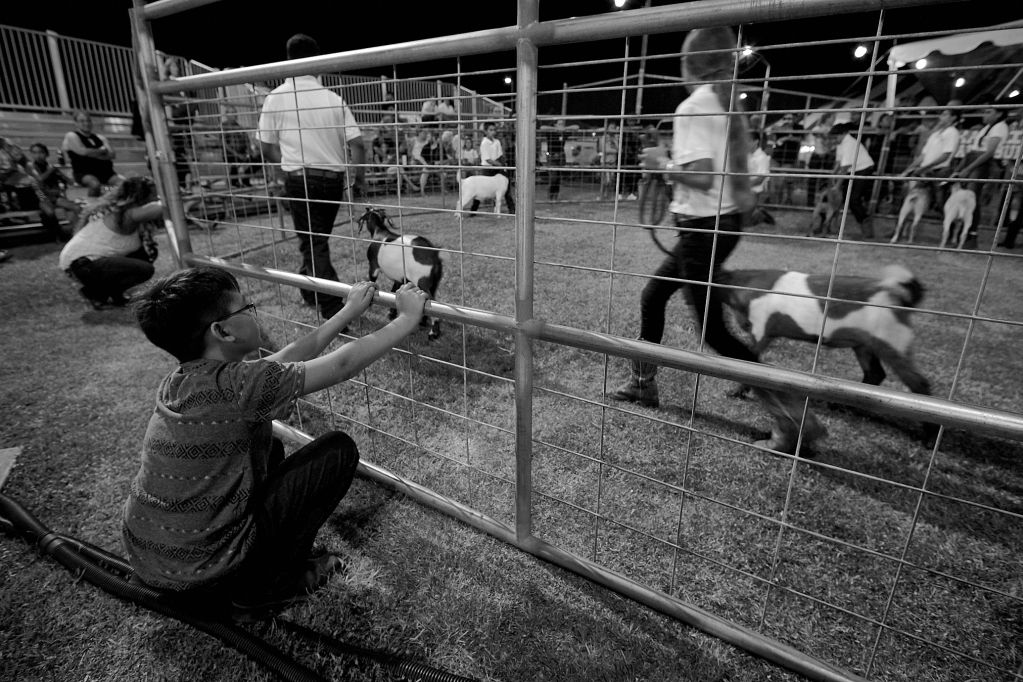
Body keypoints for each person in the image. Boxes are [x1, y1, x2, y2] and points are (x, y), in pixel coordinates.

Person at [122, 266, 429, 620]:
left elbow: (288, 358)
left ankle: (248, 567)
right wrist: (406, 319)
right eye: (246, 309)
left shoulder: (181, 381)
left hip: (151, 557)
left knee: (271, 449)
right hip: (205, 573)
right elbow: (343, 365)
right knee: (336, 452)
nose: (253, 314)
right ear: (222, 330)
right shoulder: (240, 387)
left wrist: (347, 311)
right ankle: (267, 588)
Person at [607, 26, 826, 455]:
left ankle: (795, 420)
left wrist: (661, 162)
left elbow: (702, 174)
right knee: (653, 297)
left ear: (689, 66)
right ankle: (642, 384)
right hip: (717, 225)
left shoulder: (693, 107)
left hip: (703, 229)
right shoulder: (721, 105)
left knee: (716, 334)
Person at [258, 34, 367, 320]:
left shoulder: (276, 97)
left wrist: (284, 166)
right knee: (315, 240)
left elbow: (266, 145)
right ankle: (312, 291)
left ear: (288, 60)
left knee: (313, 242)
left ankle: (332, 308)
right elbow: (357, 144)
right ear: (318, 61)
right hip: (332, 180)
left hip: (300, 178)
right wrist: (360, 178)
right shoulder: (333, 98)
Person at [58, 176, 161, 310]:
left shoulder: (122, 210)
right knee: (144, 269)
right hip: (82, 263)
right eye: (153, 194)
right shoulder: (125, 213)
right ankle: (94, 294)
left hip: (87, 263)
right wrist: (177, 199)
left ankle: (116, 296)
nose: (156, 197)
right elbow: (162, 208)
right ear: (141, 196)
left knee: (143, 256)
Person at [952, 105, 1009, 249]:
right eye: (985, 111)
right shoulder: (986, 128)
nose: (985, 115)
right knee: (968, 198)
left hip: (984, 164)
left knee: (973, 199)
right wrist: (962, 168)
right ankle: (962, 233)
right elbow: (975, 151)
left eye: (989, 112)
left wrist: (967, 168)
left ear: (999, 113)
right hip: (976, 161)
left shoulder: (999, 127)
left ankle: (971, 234)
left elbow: (989, 152)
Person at [831, 122, 875, 239]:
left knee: (854, 199)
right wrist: (833, 174)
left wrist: (837, 184)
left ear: (843, 134)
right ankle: (863, 226)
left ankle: (867, 228)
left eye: (836, 137)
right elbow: (839, 161)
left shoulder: (849, 143)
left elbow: (845, 167)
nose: (835, 139)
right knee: (849, 199)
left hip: (863, 169)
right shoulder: (841, 143)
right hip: (856, 170)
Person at [28, 143, 81, 239]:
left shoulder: (51, 167)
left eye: (41, 152)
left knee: (76, 208)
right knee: (50, 212)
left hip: (55, 196)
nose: (38, 155)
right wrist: (51, 170)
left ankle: (77, 231)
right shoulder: (32, 167)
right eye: (35, 153)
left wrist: (67, 175)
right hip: (40, 198)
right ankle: (57, 234)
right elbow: (39, 179)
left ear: (46, 154)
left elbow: (69, 181)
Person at [62, 111, 120, 198]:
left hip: (105, 172)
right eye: (82, 121)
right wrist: (102, 151)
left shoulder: (100, 137)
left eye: (88, 120)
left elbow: (112, 154)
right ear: (75, 123)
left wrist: (91, 154)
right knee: (95, 184)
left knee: (124, 184)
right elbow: (83, 152)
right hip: (84, 172)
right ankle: (91, 206)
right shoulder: (71, 136)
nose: (86, 123)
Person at [473, 121, 515, 213]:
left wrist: (501, 163)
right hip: (487, 168)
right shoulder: (484, 143)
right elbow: (487, 159)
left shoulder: (497, 142)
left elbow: (500, 155)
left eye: (494, 130)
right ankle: (473, 210)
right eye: (491, 130)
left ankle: (512, 209)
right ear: (485, 131)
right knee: (481, 189)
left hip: (497, 167)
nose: (493, 132)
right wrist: (499, 164)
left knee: (505, 187)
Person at [746, 131, 774, 226]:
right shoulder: (747, 155)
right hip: (747, 189)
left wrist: (743, 185)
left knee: (745, 223)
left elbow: (760, 178)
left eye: (748, 140)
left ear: (756, 141)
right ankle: (758, 213)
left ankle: (761, 215)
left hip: (754, 191)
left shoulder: (762, 157)